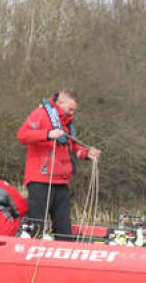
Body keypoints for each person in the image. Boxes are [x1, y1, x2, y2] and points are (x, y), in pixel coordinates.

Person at [16, 89, 100, 238]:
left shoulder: (67, 123)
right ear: (61, 103)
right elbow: (22, 135)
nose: (72, 113)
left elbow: (73, 147)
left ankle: (64, 251)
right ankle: (31, 252)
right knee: (36, 225)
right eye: (70, 109)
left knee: (63, 227)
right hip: (40, 179)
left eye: (74, 110)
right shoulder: (40, 114)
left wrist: (88, 154)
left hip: (61, 181)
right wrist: (47, 134)